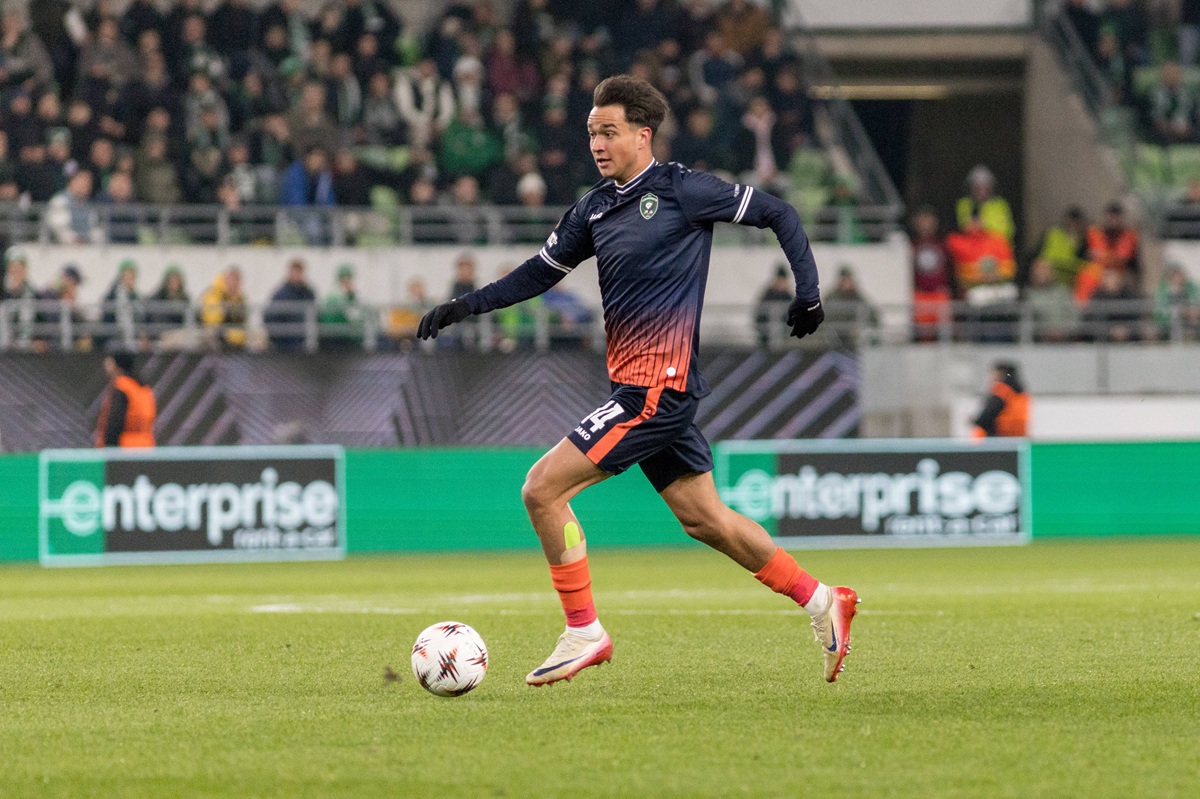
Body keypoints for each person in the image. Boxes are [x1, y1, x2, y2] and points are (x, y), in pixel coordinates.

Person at [416, 75, 858, 687]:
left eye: (609, 132)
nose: (597, 143)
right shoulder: (593, 208)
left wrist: (809, 292)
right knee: (707, 520)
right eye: (592, 133)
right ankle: (823, 600)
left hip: (657, 390)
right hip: (640, 389)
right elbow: (539, 273)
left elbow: (779, 212)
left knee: (541, 490)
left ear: (643, 135)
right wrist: (467, 305)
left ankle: (583, 631)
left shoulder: (683, 190)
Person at [94, 351, 156, 448]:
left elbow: (114, 423)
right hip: (146, 447)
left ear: (115, 364)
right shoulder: (144, 388)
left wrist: (109, 449)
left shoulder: (121, 386)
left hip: (123, 449)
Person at [265, 257, 316, 351]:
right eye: (295, 272)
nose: (297, 275)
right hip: (284, 347)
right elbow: (271, 318)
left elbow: (314, 314)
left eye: (299, 272)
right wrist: (279, 341)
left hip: (303, 345)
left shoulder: (308, 293)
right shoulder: (281, 295)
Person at [971, 361, 1029, 438]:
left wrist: (976, 421)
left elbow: (988, 414)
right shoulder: (1021, 393)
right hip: (1016, 437)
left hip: (998, 437)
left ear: (1000, 373)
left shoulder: (1002, 390)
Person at [753, 264, 792, 346]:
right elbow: (759, 316)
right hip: (766, 338)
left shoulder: (788, 296)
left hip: (785, 337)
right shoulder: (768, 295)